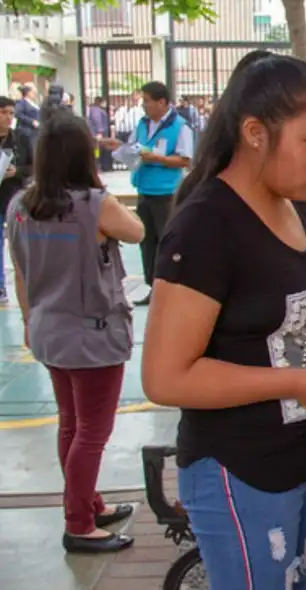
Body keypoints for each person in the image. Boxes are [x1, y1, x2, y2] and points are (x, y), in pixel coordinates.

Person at [141, 52, 306, 589]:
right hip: (239, 470)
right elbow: (165, 378)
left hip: (299, 457)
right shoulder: (207, 227)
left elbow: (274, 302)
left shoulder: (285, 203)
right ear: (255, 133)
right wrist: (294, 380)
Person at [7, 111, 144, 553]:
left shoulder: (21, 207)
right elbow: (138, 231)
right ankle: (80, 523)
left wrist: (29, 323)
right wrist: (103, 192)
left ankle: (88, 502)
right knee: (92, 433)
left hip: (48, 331)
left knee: (71, 424)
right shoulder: (93, 204)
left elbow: (21, 274)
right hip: (93, 336)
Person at [101, 81, 193, 306]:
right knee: (147, 241)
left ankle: (171, 289)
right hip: (144, 189)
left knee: (167, 241)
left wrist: (158, 159)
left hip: (167, 193)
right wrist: (120, 147)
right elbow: (134, 148)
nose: (144, 105)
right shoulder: (142, 124)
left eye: (147, 101)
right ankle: (153, 286)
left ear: (162, 102)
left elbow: (185, 159)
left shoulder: (180, 127)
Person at [0, 95, 34, 303]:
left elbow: (33, 165)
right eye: (3, 112)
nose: (8, 117)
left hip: (14, 197)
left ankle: (29, 285)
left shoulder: (21, 137)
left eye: (11, 113)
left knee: (20, 243)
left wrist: (17, 171)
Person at [14, 83, 41, 149]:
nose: (35, 94)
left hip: (35, 132)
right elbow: (18, 114)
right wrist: (32, 121)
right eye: (33, 92)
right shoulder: (22, 102)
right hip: (27, 132)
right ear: (28, 93)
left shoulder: (33, 103)